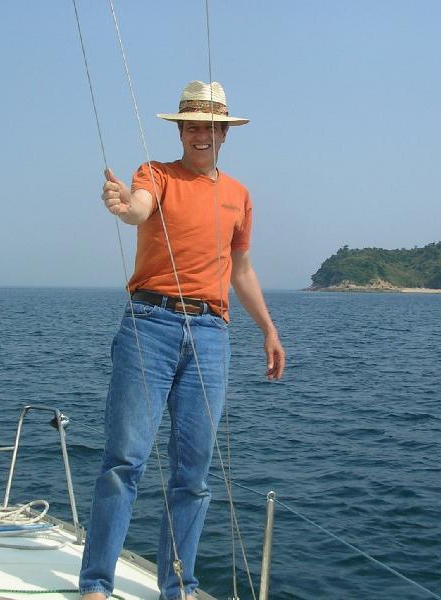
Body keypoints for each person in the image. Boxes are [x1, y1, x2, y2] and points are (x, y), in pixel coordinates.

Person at [79, 80, 285, 600]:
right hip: (150, 323)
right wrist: (123, 206)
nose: (200, 134)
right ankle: (97, 584)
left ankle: (179, 587)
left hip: (212, 334)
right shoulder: (156, 175)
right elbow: (138, 208)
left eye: (210, 127)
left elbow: (241, 269)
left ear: (224, 134)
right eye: (192, 126)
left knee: (193, 474)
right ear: (181, 131)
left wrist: (268, 328)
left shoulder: (239, 195)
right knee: (124, 461)